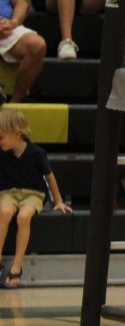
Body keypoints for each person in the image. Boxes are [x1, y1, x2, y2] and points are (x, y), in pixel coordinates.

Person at [0, 107, 68, 288]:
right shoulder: (3, 153)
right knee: (4, 213)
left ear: (16, 134)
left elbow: (50, 177)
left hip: (33, 194)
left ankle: (17, 264)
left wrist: (58, 200)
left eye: (1, 137)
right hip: (9, 192)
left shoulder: (36, 153)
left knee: (23, 217)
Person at [0, 0, 44, 102]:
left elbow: (21, 2)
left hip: (4, 25)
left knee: (37, 45)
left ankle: (14, 104)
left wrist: (14, 22)